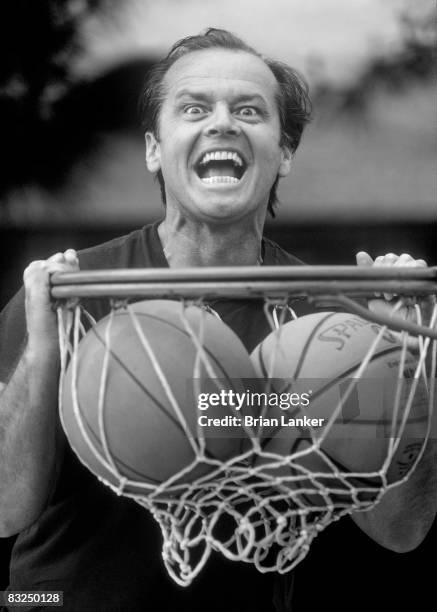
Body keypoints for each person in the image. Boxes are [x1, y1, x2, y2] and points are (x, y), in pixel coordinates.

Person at [0, 28, 435, 612]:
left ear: (284, 152)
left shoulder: (333, 324)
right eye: (195, 108)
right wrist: (43, 354)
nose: (223, 123)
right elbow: (5, 508)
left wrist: (406, 360)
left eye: (250, 110)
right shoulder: (73, 292)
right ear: (155, 148)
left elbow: (401, 531)